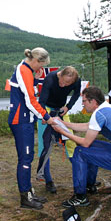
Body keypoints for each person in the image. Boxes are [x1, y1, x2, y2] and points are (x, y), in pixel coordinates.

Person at [52, 86, 111, 208]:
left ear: (93, 101)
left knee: (80, 151)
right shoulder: (108, 108)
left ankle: (80, 197)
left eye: (84, 101)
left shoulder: (99, 113)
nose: (83, 105)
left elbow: (85, 143)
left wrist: (63, 132)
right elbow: (87, 126)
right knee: (89, 146)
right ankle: (89, 185)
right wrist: (63, 123)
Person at [8, 47, 55, 210]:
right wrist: (46, 117)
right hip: (20, 120)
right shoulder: (24, 70)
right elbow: (30, 100)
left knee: (28, 156)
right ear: (36, 61)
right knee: (25, 159)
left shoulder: (26, 69)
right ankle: (25, 198)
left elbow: (27, 92)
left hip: (25, 119)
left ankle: (29, 192)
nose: (41, 69)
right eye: (41, 66)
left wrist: (35, 79)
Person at [36, 66, 81, 194]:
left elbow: (77, 93)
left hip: (61, 110)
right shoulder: (50, 78)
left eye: (68, 84)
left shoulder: (76, 80)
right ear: (60, 74)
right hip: (46, 110)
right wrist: (45, 116)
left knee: (71, 142)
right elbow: (42, 101)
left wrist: (68, 107)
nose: (63, 85)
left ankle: (81, 174)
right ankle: (48, 180)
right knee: (44, 146)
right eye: (63, 81)